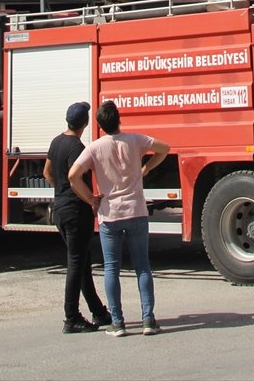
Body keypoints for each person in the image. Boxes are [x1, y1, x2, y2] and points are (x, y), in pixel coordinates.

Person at [69, 99, 169, 338]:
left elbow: (73, 175)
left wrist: (90, 199)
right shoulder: (135, 140)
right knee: (142, 267)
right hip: (136, 211)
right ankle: (148, 320)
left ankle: (118, 322)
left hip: (110, 214)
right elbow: (164, 148)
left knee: (112, 269)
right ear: (119, 119)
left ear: (100, 125)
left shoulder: (95, 147)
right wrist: (146, 169)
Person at [44, 102, 112, 334]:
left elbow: (47, 172)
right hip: (75, 212)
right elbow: (76, 180)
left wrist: (60, 192)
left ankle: (98, 312)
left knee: (82, 262)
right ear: (85, 123)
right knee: (76, 263)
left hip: (60, 210)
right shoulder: (77, 147)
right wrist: (91, 199)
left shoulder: (56, 142)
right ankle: (71, 317)